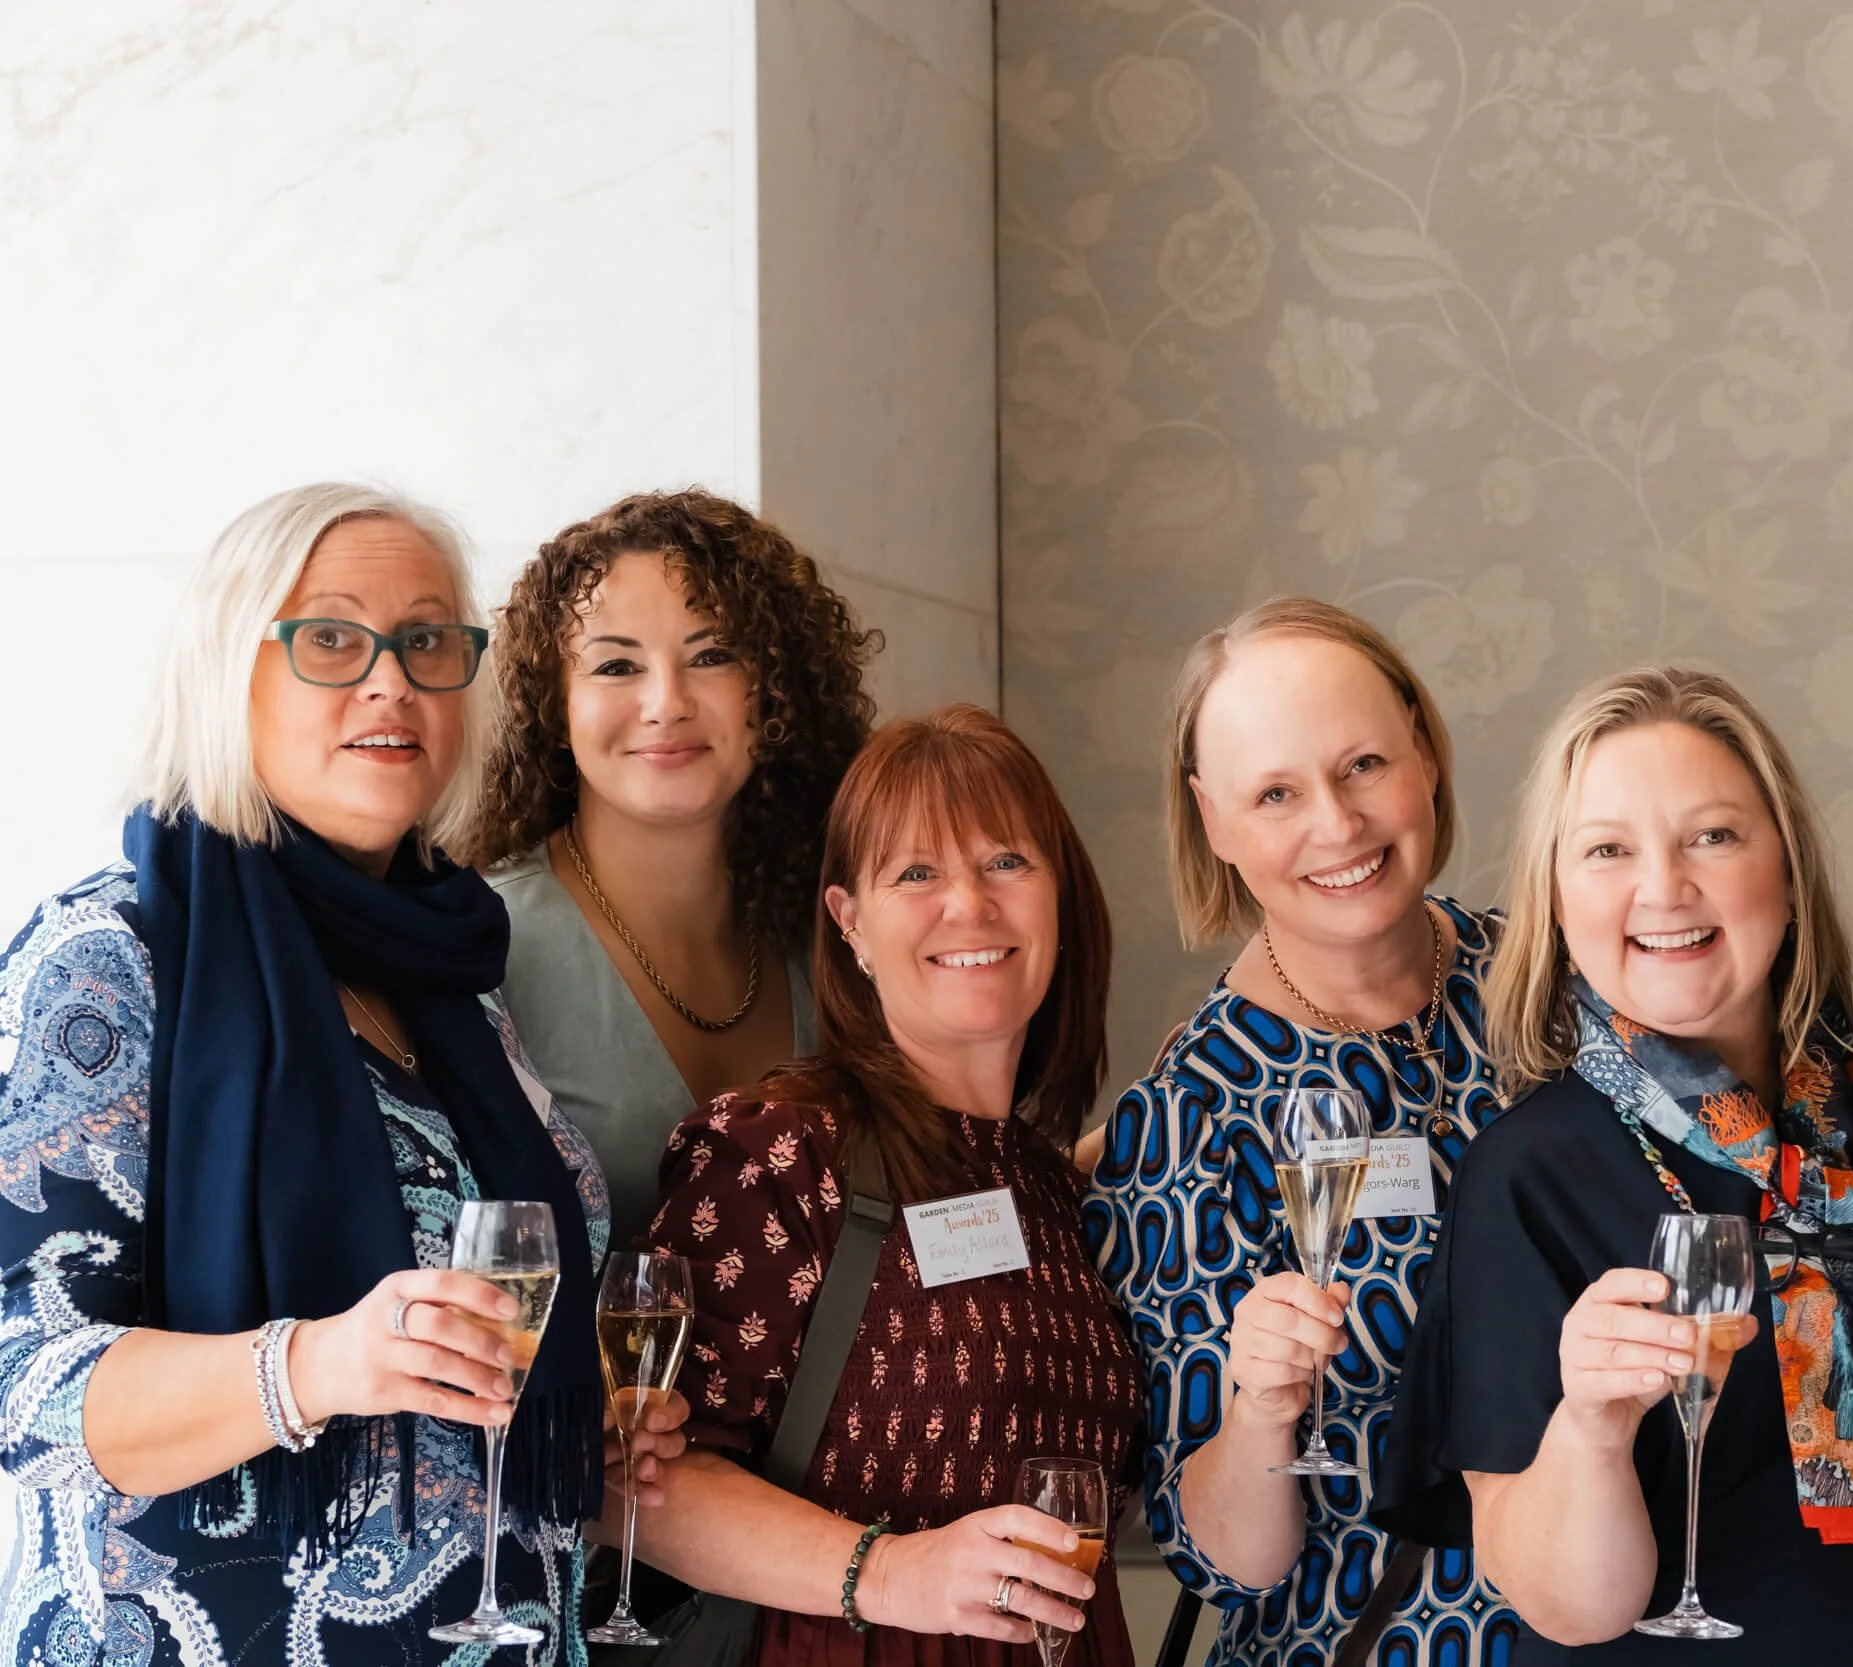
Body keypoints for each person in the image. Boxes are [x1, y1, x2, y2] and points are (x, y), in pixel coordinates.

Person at [0, 483, 683, 1664]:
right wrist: (316, 1362)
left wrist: (589, 1419)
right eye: (331, 638)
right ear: (230, 674)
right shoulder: (110, 957)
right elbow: (23, 1386)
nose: (392, 681)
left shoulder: (453, 979)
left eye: (427, 641)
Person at [1379, 668, 1853, 1667]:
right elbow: (1568, 1608)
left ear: (1785, 863)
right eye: (1606, 849)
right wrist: (1592, 1427)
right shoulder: (1524, 1175)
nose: (1663, 886)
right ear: (1555, 899)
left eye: (1712, 835)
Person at [624, 704, 1144, 1667]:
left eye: (1007, 862)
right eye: (918, 872)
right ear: (849, 923)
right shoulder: (778, 1151)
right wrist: (894, 1570)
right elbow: (639, 1488)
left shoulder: (1061, 1193)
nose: (970, 904)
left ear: (1060, 899)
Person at [1086, 598, 1516, 1667]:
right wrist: (1258, 1409)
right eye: (1275, 792)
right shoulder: (1188, 1117)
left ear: (1422, 745)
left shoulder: (1547, 982)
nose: (1336, 823)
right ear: (1214, 820)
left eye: (1363, 762)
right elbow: (1223, 1561)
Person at [470, 488, 880, 1241]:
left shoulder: (836, 923)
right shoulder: (484, 944)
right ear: (552, 703)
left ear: (776, 687)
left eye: (712, 654)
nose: (667, 702)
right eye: (617, 666)